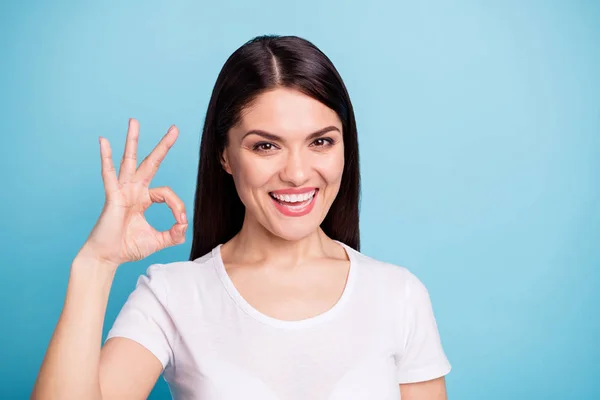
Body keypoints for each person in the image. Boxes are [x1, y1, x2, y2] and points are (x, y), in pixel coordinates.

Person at [31, 35, 451, 400]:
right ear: (224, 155)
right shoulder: (172, 297)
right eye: (266, 146)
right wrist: (95, 266)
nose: (298, 172)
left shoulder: (399, 296)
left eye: (320, 141)